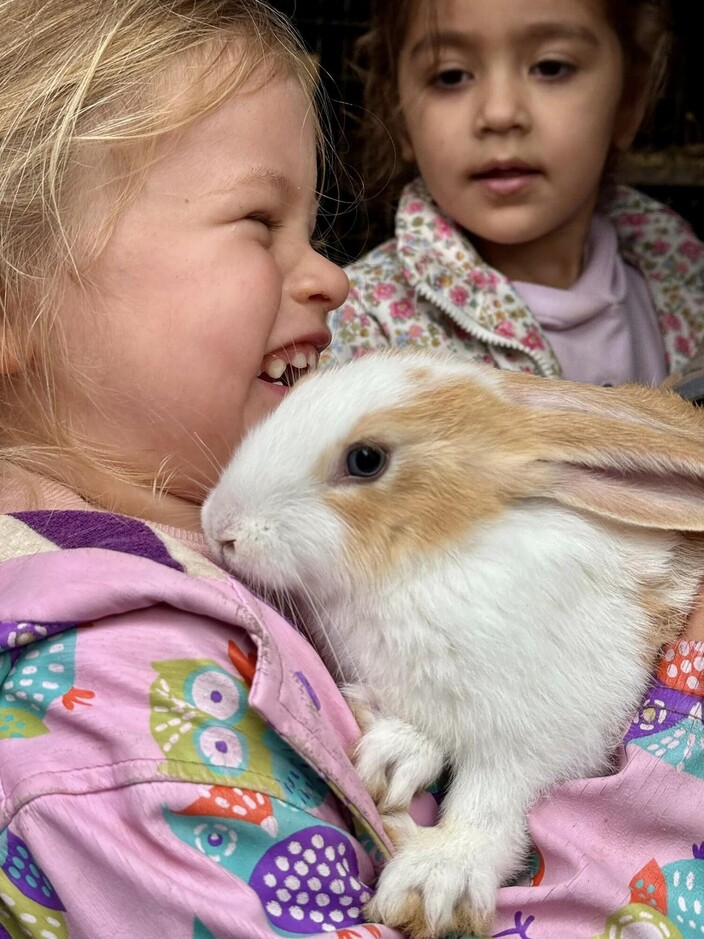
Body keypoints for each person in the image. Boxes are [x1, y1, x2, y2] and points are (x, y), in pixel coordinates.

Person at [0, 4, 702, 939]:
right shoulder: (108, 703)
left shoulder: (184, 558)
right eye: (261, 220)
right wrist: (686, 712)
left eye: (310, 225)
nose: (333, 274)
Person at [328, 0, 704, 391]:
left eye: (551, 67)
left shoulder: (685, 279)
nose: (500, 113)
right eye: (451, 75)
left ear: (630, 100)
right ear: (400, 117)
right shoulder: (357, 328)